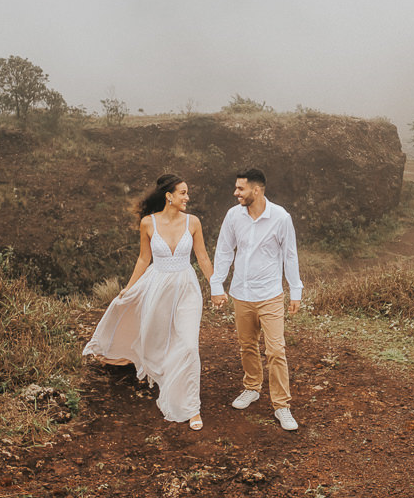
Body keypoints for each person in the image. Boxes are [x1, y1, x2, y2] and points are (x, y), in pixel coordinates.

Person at [83, 174, 213, 431]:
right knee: (159, 340)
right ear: (169, 196)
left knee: (189, 345)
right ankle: (156, 370)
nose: (187, 197)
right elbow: (144, 260)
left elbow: (203, 258)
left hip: (187, 288)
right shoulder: (147, 223)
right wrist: (129, 289)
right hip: (158, 287)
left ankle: (191, 407)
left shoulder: (194, 222)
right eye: (183, 193)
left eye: (187, 193)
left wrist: (216, 288)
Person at [210, 168, 303, 431]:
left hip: (270, 295)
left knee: (275, 350)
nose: (235, 193)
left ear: (256, 190)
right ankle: (252, 388)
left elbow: (290, 255)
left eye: (240, 188)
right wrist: (217, 284)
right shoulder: (233, 216)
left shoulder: (281, 217)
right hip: (241, 293)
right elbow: (225, 250)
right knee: (247, 345)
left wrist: (295, 289)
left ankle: (282, 406)